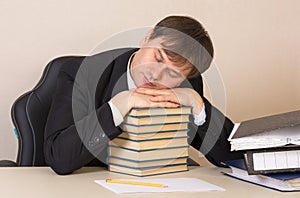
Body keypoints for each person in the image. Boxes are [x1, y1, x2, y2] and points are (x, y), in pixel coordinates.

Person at [44, 15, 243, 175]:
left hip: (155, 184)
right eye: (157, 56)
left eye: (172, 73)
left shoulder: (185, 86)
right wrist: (118, 106)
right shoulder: (81, 73)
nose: (155, 74)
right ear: (147, 38)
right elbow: (59, 158)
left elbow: (232, 159)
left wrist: (197, 104)